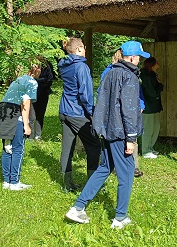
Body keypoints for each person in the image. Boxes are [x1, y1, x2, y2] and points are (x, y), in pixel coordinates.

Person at [65, 40, 149, 229]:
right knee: (126, 174)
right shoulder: (130, 77)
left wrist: (100, 127)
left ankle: (78, 208)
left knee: (104, 168)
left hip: (108, 130)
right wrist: (131, 138)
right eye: (139, 58)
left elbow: (100, 102)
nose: (140, 62)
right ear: (133, 57)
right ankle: (120, 218)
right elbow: (129, 110)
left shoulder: (110, 73)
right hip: (121, 133)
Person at [0, 62, 41, 190]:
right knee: (18, 149)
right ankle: (14, 182)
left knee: (7, 147)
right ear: (35, 69)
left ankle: (7, 181)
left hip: (3, 113)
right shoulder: (31, 82)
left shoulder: (18, 80)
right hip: (15, 115)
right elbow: (25, 103)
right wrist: (26, 125)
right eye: (40, 67)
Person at [58, 37, 101, 192]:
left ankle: (66, 184)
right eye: (83, 47)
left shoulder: (64, 65)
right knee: (95, 145)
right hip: (77, 112)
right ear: (78, 50)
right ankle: (93, 183)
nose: (85, 50)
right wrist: (92, 113)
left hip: (64, 110)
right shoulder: (81, 67)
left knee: (67, 147)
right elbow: (86, 93)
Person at [101, 48, 145, 177]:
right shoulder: (110, 72)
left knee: (132, 139)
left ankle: (133, 166)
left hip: (131, 111)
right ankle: (119, 168)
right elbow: (103, 94)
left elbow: (137, 92)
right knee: (120, 141)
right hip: (116, 117)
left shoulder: (132, 74)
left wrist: (141, 105)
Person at [139, 57, 163, 159]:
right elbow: (152, 92)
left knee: (155, 128)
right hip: (148, 106)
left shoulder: (152, 75)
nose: (158, 64)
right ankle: (145, 151)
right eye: (157, 62)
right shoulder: (146, 76)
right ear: (152, 65)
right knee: (148, 129)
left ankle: (150, 147)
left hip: (154, 106)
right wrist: (160, 86)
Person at [32, 57, 55, 140]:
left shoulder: (46, 66)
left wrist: (38, 82)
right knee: (31, 115)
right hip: (31, 94)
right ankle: (29, 135)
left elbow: (50, 79)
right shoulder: (30, 64)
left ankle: (38, 135)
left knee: (40, 115)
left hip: (43, 93)